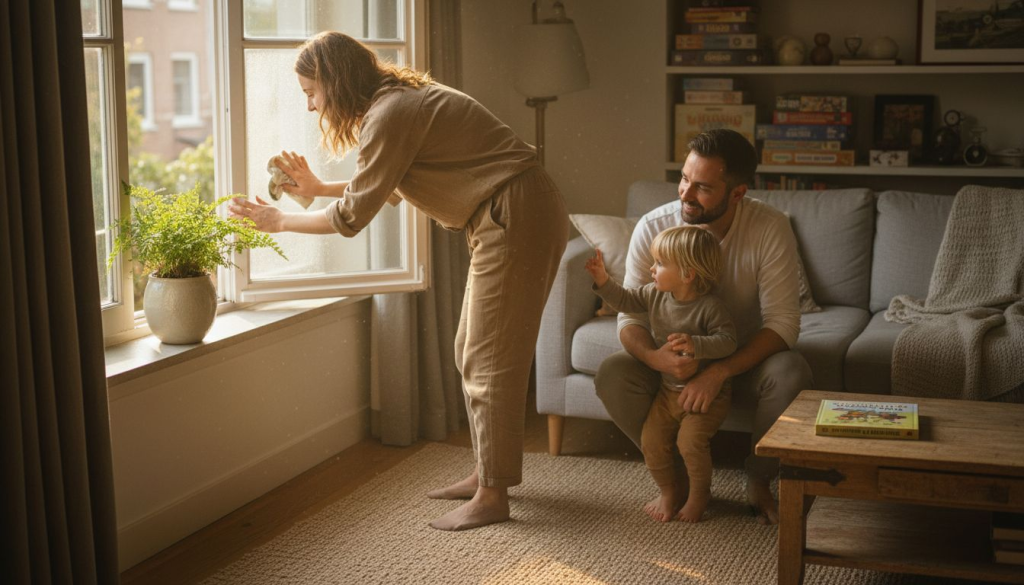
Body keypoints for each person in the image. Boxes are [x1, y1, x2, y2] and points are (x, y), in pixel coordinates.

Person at [227, 31, 569, 531]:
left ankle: (493, 496)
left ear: (335, 82)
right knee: (471, 349)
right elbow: (386, 184)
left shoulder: (392, 112)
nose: (310, 106)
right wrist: (318, 187)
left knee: (488, 358)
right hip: (510, 211)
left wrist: (279, 221)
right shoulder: (396, 103)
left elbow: (352, 216)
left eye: (312, 93)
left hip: (514, 213)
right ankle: (487, 474)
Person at [594, 129, 813, 525]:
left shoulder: (769, 227)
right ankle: (677, 478)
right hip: (672, 368)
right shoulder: (653, 226)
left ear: (738, 193)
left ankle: (759, 478)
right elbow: (630, 315)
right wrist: (655, 358)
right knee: (612, 372)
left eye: (703, 188)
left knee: (792, 370)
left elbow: (783, 324)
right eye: (684, 179)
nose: (686, 194)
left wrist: (718, 371)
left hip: (741, 361)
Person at [585, 226, 737, 523]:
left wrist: (697, 344)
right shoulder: (653, 294)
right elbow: (626, 300)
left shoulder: (710, 307)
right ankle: (669, 491)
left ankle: (699, 494)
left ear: (688, 274)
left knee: (690, 443)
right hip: (668, 393)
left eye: (660, 263)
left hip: (704, 397)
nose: (651, 269)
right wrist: (603, 281)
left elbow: (729, 341)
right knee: (652, 442)